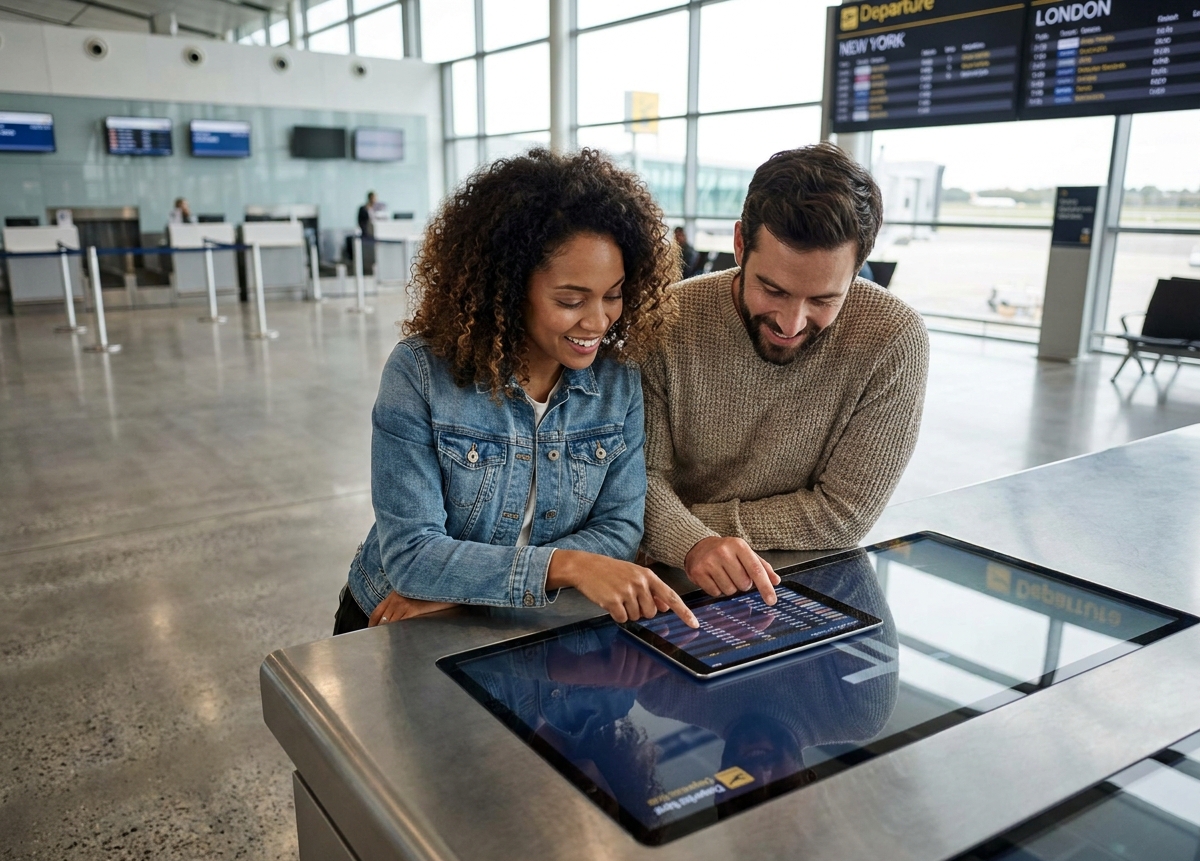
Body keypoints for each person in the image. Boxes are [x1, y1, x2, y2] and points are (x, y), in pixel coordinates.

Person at [334, 149, 699, 635]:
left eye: (613, 294)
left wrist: (465, 593)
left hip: (527, 623)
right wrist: (567, 566)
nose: (597, 322)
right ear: (506, 289)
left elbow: (620, 529)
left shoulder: (617, 381)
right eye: (570, 301)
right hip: (397, 623)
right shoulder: (420, 374)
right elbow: (411, 556)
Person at [641, 143, 929, 600]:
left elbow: (844, 514)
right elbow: (637, 481)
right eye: (772, 289)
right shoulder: (665, 320)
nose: (790, 324)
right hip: (666, 585)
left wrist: (679, 529)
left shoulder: (892, 337)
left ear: (858, 270)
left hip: (808, 578)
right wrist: (689, 541)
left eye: (823, 300)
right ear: (739, 244)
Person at [356, 191, 378, 274]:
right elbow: (360, 221)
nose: (375, 200)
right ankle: (366, 269)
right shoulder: (363, 208)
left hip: (374, 234)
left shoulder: (376, 209)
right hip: (366, 234)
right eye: (373, 198)